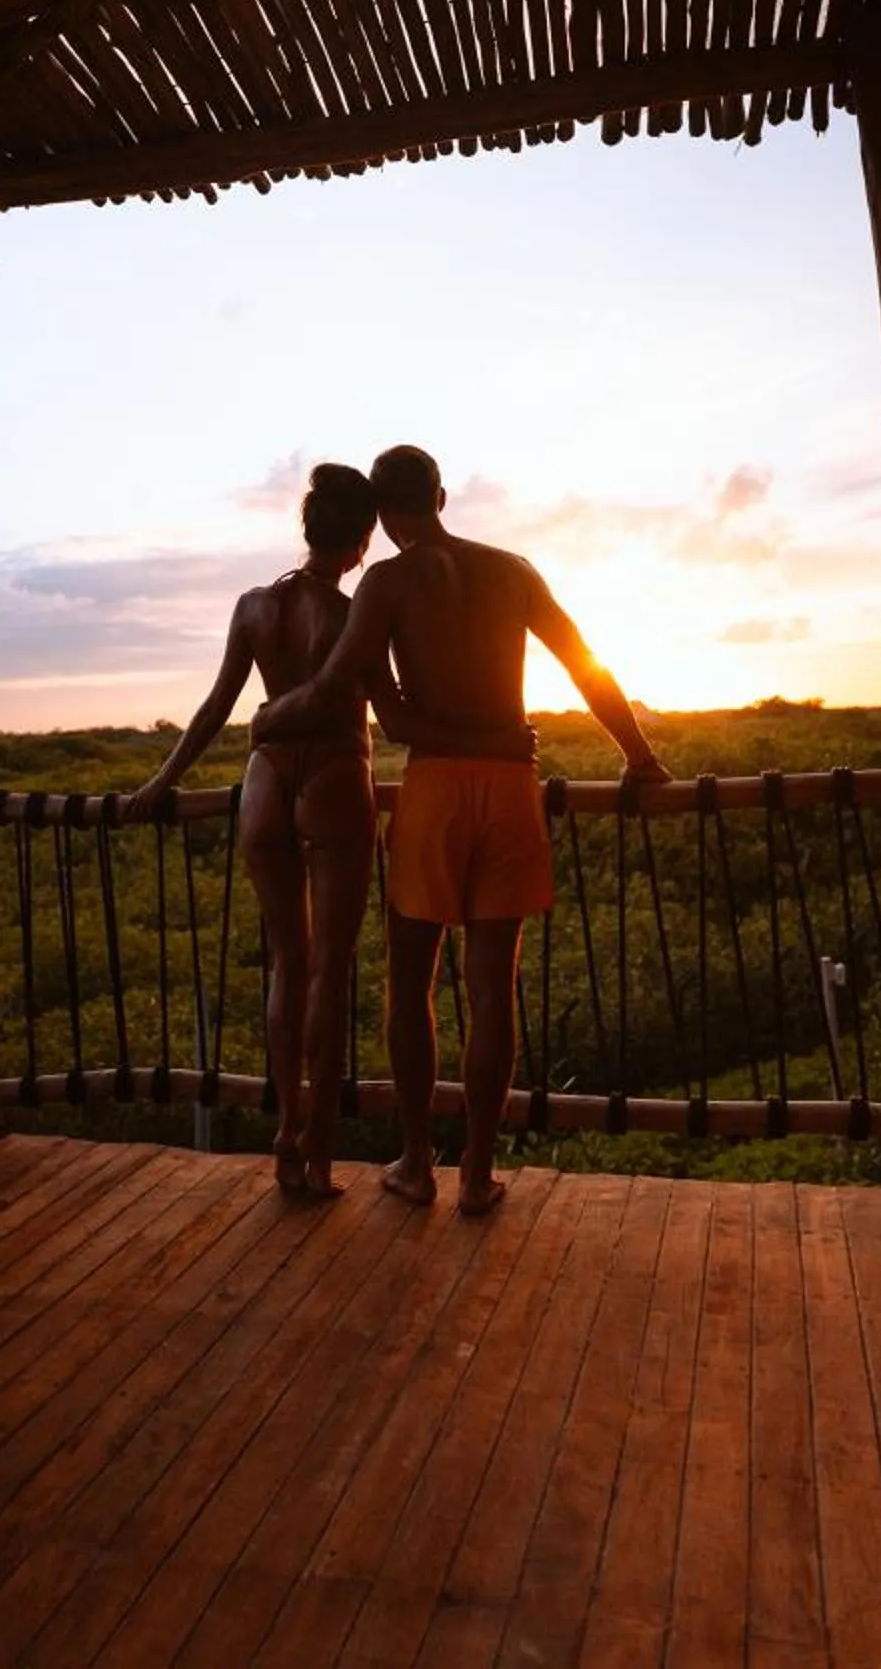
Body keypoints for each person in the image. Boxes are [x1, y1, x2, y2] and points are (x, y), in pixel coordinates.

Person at [254, 444, 670, 1214]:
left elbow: (347, 688)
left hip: (435, 793)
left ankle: (417, 1162)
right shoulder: (512, 569)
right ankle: (477, 1173)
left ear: (382, 514)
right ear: (442, 496)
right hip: (511, 790)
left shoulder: (386, 581)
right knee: (491, 991)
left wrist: (270, 715)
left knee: (410, 987)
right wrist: (639, 756)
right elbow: (583, 662)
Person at [124, 463, 531, 1200]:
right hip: (336, 778)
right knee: (329, 967)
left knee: (287, 961)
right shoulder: (354, 614)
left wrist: (163, 781)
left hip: (264, 781)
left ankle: (284, 1135)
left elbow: (219, 705)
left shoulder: (253, 607)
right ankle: (317, 1145)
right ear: (359, 542)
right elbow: (381, 703)